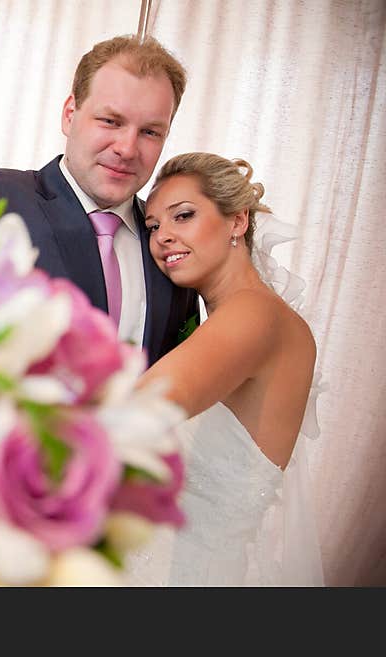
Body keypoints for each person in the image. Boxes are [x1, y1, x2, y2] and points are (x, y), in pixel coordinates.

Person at [126, 152, 324, 586]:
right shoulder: (248, 320)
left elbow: (142, 411)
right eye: (154, 227)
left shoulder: (255, 314)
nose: (163, 237)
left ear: (238, 221)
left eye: (184, 216)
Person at [0, 35, 198, 365]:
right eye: (110, 121)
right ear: (69, 113)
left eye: (150, 132)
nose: (127, 148)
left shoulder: (172, 245)